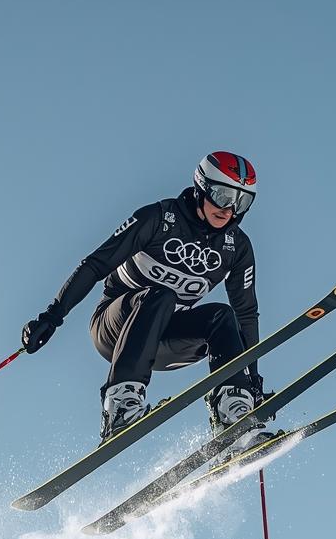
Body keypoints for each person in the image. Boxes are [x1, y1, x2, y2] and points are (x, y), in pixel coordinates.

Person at [21, 151, 274, 446]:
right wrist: (53, 315)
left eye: (241, 201)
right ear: (202, 187)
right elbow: (95, 264)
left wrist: (251, 378)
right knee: (162, 295)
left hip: (167, 341)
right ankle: (120, 405)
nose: (229, 209)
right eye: (222, 195)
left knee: (222, 315)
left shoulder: (236, 247)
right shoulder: (158, 218)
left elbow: (245, 313)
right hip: (114, 329)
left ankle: (234, 418)